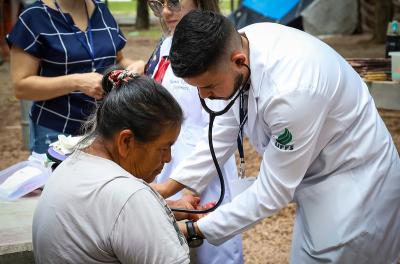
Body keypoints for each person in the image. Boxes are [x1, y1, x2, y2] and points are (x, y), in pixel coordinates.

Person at [155, 10, 400, 263]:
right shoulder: (241, 48)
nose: (204, 97)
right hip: (317, 182)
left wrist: (194, 230)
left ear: (239, 61)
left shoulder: (293, 92)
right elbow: (224, 128)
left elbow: (272, 192)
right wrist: (167, 187)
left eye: (209, 87)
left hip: (356, 190)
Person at [32, 68, 197, 263]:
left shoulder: (68, 168)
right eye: (163, 148)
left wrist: (162, 211)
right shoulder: (130, 196)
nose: (168, 158)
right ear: (126, 141)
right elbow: (123, 208)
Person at [146, 1, 244, 263]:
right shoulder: (167, 43)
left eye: (175, 2)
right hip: (168, 165)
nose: (166, 11)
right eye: (159, 3)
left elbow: (220, 128)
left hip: (204, 167)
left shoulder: (216, 52)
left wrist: (190, 189)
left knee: (208, 247)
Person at [6, 0, 145, 154]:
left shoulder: (102, 11)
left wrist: (137, 65)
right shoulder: (33, 17)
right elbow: (21, 87)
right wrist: (76, 82)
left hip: (105, 128)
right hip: (56, 133)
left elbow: (117, 59)